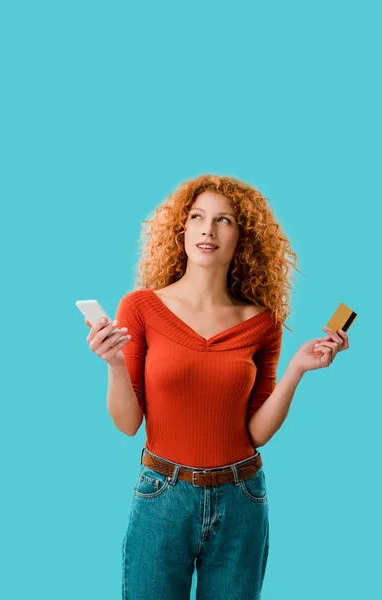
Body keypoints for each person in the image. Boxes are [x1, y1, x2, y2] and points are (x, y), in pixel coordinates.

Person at [85, 174, 349, 599]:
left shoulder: (263, 322)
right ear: (182, 229)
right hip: (162, 495)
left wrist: (298, 369)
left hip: (242, 497)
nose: (209, 229)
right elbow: (127, 423)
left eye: (224, 220)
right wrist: (115, 363)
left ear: (242, 237)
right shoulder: (140, 307)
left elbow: (256, 433)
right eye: (197, 216)